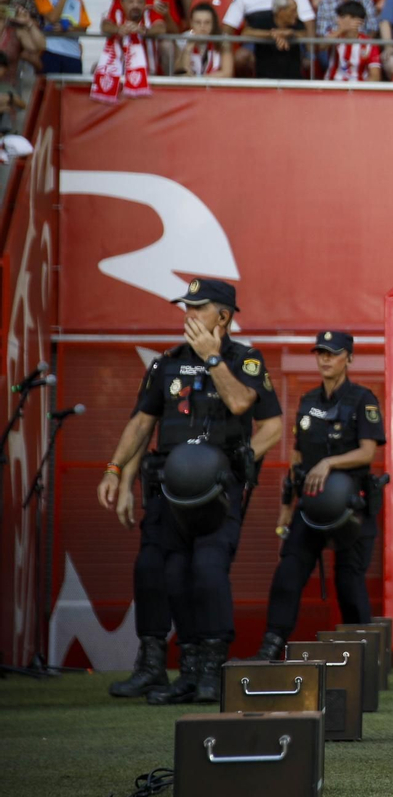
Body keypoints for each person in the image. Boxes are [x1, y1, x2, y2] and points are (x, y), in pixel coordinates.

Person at [96, 278, 282, 704]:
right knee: (170, 573)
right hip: (168, 488)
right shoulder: (166, 365)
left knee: (208, 571)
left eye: (198, 308)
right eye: (186, 308)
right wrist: (115, 470)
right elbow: (142, 423)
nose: (188, 315)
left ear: (224, 316)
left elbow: (242, 406)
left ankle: (214, 671)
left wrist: (212, 358)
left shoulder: (245, 361)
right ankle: (188, 670)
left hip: (216, 492)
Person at [255, 330, 385, 659]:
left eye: (333, 353)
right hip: (309, 505)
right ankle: (270, 648)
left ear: (349, 358)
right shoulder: (308, 401)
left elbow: (368, 452)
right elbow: (297, 456)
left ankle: (364, 658)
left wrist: (329, 462)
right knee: (289, 572)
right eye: (321, 353)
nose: (325, 359)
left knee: (349, 583)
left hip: (351, 506)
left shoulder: (363, 399)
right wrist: (286, 507)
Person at [222, 0, 313, 75]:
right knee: (241, 57)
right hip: (257, 42)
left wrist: (310, 54)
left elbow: (308, 22)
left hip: (292, 41)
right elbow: (228, 27)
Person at [32, 0, 88, 75]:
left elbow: (83, 28)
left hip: (73, 54)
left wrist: (67, 29)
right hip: (51, 51)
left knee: (71, 90)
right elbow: (52, 18)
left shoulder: (78, 0)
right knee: (51, 89)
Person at [242, 0, 308, 79]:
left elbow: (304, 34)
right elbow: (246, 33)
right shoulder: (262, 19)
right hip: (265, 78)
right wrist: (271, 34)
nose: (296, 14)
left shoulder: (297, 23)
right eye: (293, 11)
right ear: (281, 11)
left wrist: (290, 34)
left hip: (292, 78)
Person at [320, 0, 380, 80]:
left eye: (342, 17)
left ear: (357, 21)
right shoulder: (335, 36)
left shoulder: (369, 44)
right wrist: (341, 29)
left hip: (359, 88)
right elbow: (321, 46)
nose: (337, 20)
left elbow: (375, 76)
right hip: (333, 85)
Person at [173, 1, 234, 78]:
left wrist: (200, 79)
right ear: (191, 23)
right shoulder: (183, 39)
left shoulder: (223, 39)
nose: (202, 27)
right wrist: (188, 48)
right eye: (198, 22)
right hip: (191, 87)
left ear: (213, 24)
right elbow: (181, 71)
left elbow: (227, 73)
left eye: (207, 22)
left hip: (215, 85)